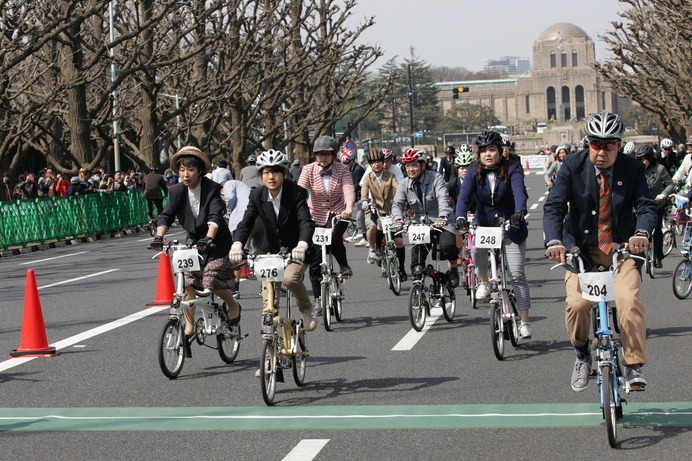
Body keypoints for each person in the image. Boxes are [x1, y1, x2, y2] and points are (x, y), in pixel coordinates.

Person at [543, 112, 657, 392]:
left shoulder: (632, 169)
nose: (602, 151)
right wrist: (554, 241)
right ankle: (582, 356)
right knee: (578, 305)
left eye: (609, 145)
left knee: (628, 302)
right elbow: (555, 207)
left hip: (622, 250)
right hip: (580, 251)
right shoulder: (571, 165)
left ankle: (632, 365)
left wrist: (641, 234)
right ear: (587, 144)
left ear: (619, 145)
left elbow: (645, 206)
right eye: (596, 144)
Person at [149, 146, 241, 358]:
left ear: (200, 170)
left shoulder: (213, 188)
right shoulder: (175, 191)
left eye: (190, 169)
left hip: (217, 242)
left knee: (210, 281)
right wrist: (158, 236)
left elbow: (216, 216)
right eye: (181, 169)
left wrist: (209, 238)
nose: (185, 174)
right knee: (187, 282)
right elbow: (166, 215)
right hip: (192, 243)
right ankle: (189, 327)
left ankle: (232, 304)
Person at [229, 149, 318, 332]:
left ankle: (307, 308)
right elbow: (246, 223)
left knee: (289, 278)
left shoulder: (297, 193)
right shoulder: (256, 195)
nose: (271, 177)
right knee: (269, 302)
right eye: (266, 172)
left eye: (275, 172)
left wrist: (302, 244)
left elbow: (305, 222)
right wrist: (237, 244)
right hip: (268, 252)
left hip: (296, 249)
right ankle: (270, 351)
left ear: (283, 173)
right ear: (261, 175)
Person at [455, 131, 532, 338]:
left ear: (500, 151)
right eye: (483, 151)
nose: (488, 154)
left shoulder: (512, 168)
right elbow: (463, 197)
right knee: (477, 250)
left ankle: (524, 322)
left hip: (511, 226)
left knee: (517, 275)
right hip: (486, 225)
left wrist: (519, 212)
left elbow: (519, 192)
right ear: (478, 154)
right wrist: (460, 217)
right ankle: (483, 281)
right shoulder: (473, 171)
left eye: (492, 150)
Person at [297, 135, 356, 312]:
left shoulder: (343, 169)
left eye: (326, 154)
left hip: (338, 212)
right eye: (319, 154)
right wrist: (297, 211)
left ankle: (344, 265)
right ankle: (317, 298)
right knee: (315, 257)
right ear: (314, 155)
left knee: (334, 235)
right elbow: (300, 191)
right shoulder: (308, 170)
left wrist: (349, 207)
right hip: (315, 214)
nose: (322, 157)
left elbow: (348, 189)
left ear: (333, 154)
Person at [391, 148, 460, 288]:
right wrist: (398, 220)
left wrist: (442, 216)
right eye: (408, 166)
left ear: (423, 165)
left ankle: (452, 268)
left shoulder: (436, 178)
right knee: (416, 262)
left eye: (414, 165)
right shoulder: (404, 184)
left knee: (448, 247)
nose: (411, 169)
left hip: (442, 221)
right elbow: (397, 204)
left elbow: (443, 198)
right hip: (420, 224)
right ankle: (419, 290)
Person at [360, 148, 402, 269]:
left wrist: (402, 197)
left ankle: (399, 265)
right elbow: (364, 192)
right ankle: (375, 248)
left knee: (397, 240)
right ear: (370, 164)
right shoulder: (367, 178)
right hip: (374, 207)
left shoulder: (390, 175)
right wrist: (364, 202)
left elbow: (398, 187)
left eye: (379, 161)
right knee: (376, 225)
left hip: (390, 208)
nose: (377, 164)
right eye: (373, 162)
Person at [635, 145, 674, 268]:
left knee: (657, 230)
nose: (642, 162)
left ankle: (658, 256)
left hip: (657, 204)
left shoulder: (660, 169)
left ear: (651, 158)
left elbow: (670, 184)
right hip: (641, 204)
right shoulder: (636, 170)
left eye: (645, 159)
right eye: (640, 159)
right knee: (642, 229)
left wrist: (663, 195)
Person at [222, 178, 251, 298]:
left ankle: (235, 288)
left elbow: (229, 197)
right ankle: (265, 286)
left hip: (241, 218)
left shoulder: (228, 184)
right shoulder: (243, 187)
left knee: (237, 252)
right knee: (259, 251)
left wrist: (228, 212)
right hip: (254, 215)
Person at [341, 150, 367, 246]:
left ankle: (365, 237)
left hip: (361, 195)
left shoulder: (358, 169)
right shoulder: (347, 169)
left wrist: (346, 192)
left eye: (347, 163)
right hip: (352, 194)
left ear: (352, 161)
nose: (345, 165)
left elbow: (356, 185)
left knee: (360, 216)